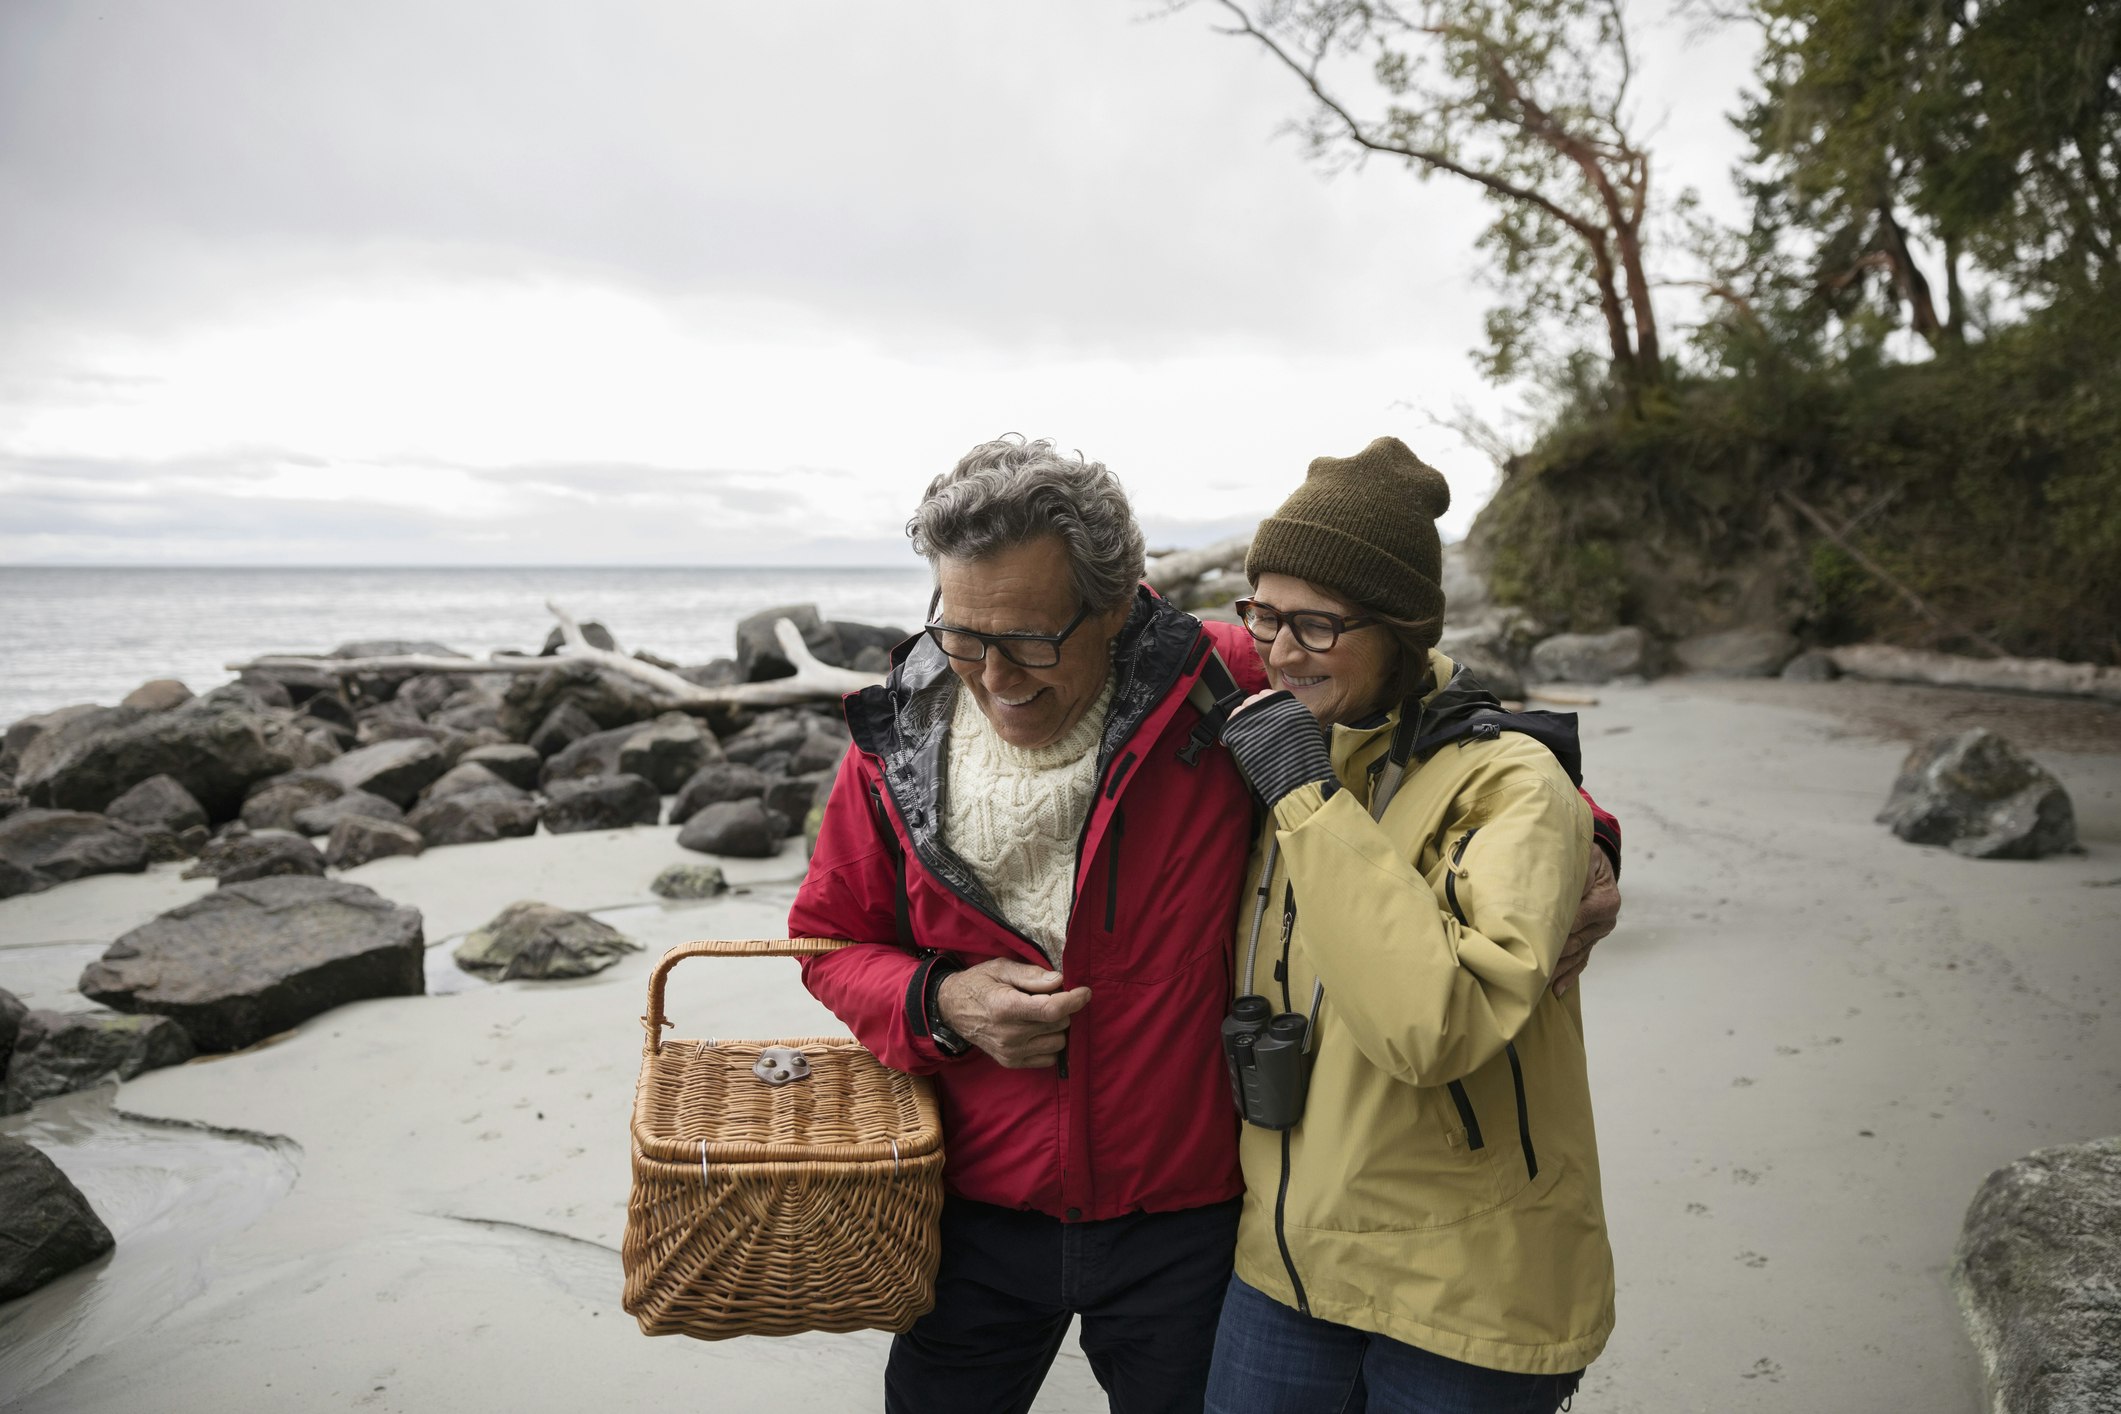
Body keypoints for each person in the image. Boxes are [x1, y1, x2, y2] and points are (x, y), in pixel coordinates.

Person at [789, 435, 1620, 1414]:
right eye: (963, 635)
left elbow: (1428, 727)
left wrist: (1591, 843)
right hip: (972, 1208)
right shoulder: (898, 734)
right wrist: (940, 998)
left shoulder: (1218, 680)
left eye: (1030, 640)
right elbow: (828, 941)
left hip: (1187, 1223)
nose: (995, 676)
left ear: (1114, 607)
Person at [1203, 436, 1615, 1414]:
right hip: (1286, 1263)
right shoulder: (1290, 740)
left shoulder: (1511, 782)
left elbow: (1433, 1026)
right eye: (1264, 612)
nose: (1281, 649)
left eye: (1317, 624)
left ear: (1400, 628)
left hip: (1470, 1290)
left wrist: (1304, 798)